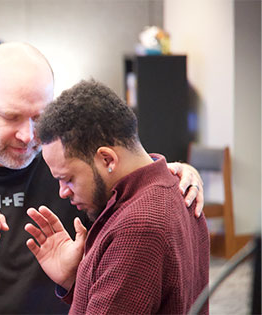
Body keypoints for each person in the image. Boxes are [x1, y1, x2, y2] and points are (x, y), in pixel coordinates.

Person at [0, 42, 204, 314]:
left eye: (40, 118)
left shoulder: (66, 158)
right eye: (11, 117)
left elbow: (132, 184)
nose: (28, 136)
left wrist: (167, 173)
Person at [25, 79, 209, 314]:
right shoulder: (175, 187)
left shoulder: (138, 225)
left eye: (68, 178)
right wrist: (75, 280)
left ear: (107, 159)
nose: (63, 191)